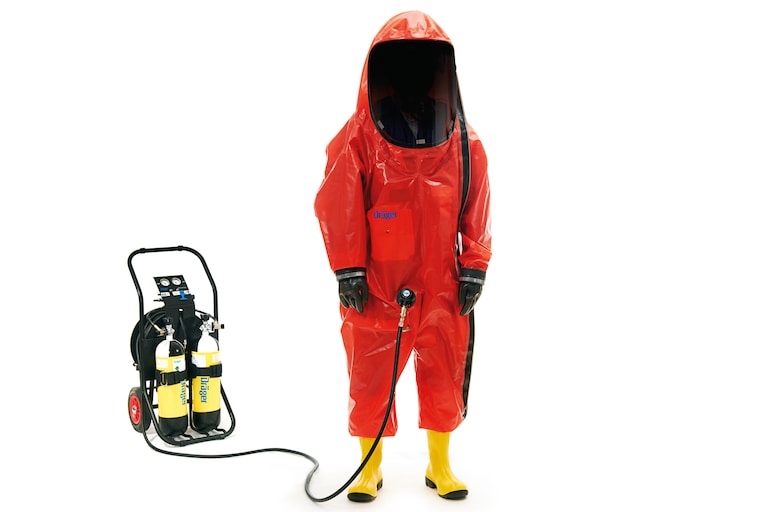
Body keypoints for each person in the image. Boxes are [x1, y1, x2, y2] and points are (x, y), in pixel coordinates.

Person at [314, 11, 492, 502]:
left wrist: (474, 267)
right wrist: (348, 267)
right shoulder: (357, 138)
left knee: (444, 371)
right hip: (376, 283)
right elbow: (338, 201)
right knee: (370, 375)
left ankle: (440, 465)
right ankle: (369, 468)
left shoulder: (464, 142)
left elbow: (477, 205)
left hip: (442, 282)